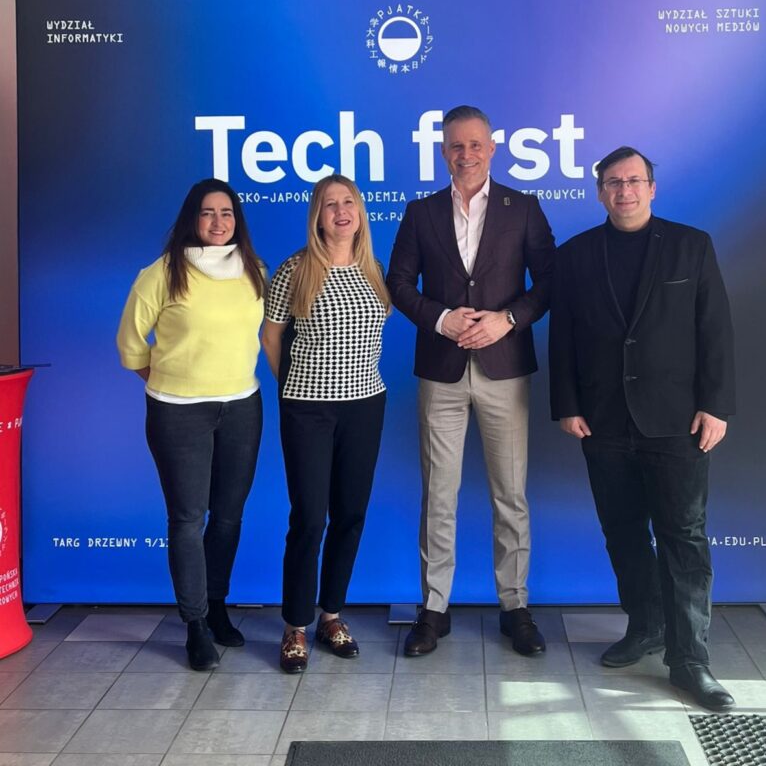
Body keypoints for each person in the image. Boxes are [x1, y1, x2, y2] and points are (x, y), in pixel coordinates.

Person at [549, 145, 736, 711]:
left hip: (678, 421)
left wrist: (717, 405)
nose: (624, 190)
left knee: (684, 537)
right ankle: (646, 626)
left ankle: (690, 660)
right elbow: (563, 335)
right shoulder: (576, 254)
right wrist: (567, 404)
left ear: (652, 188)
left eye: (633, 181)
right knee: (624, 533)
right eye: (613, 182)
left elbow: (715, 329)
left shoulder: (691, 245)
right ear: (599, 192)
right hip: (603, 420)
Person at [387, 105, 555, 657]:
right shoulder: (420, 212)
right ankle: (434, 610)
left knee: (511, 495)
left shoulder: (522, 208)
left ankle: (515, 607)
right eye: (456, 146)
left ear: (492, 148)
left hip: (505, 370)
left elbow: (549, 282)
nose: (467, 154)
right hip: (441, 372)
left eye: (476, 144)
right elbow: (398, 283)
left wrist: (507, 319)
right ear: (443, 152)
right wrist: (441, 319)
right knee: (439, 495)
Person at [117, 179, 265, 671]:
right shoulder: (162, 273)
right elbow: (130, 343)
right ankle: (195, 625)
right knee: (187, 519)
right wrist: (171, 381)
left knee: (228, 517)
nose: (218, 222)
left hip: (241, 407)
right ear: (191, 219)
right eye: (207, 213)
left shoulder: (254, 270)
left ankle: (217, 607)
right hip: (179, 412)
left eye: (227, 213)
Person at [262, 173, 390, 674]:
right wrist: (295, 388)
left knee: (351, 513)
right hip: (307, 408)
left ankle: (331, 616)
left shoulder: (374, 269)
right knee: (310, 518)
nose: (341, 211)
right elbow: (271, 337)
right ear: (317, 215)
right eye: (330, 204)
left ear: (359, 212)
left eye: (348, 202)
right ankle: (295, 624)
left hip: (365, 404)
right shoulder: (295, 270)